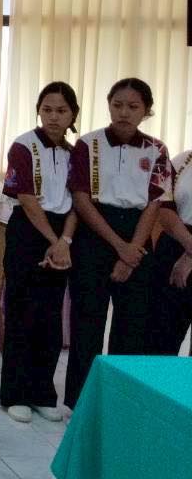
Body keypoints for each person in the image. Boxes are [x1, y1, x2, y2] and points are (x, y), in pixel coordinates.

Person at [65, 78, 172, 408]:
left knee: (132, 325)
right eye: (117, 105)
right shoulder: (88, 144)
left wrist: (131, 252)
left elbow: (154, 203)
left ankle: (120, 402)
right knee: (87, 323)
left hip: (137, 235)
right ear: (109, 105)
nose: (124, 112)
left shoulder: (156, 149)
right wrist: (118, 246)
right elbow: (81, 199)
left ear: (146, 111)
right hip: (95, 232)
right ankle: (81, 402)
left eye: (133, 106)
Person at [0, 82, 79, 423]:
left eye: (61, 110)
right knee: (22, 312)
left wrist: (65, 241)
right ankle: (15, 394)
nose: (53, 117)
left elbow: (79, 201)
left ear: (73, 114)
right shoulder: (24, 145)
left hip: (63, 234)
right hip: (28, 232)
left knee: (50, 316)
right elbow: (27, 198)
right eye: (47, 109)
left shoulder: (77, 153)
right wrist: (52, 239)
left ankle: (42, 393)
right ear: (38, 111)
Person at [153, 147, 192, 354]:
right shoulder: (181, 160)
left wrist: (189, 258)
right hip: (175, 242)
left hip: (186, 253)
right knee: (162, 336)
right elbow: (164, 208)